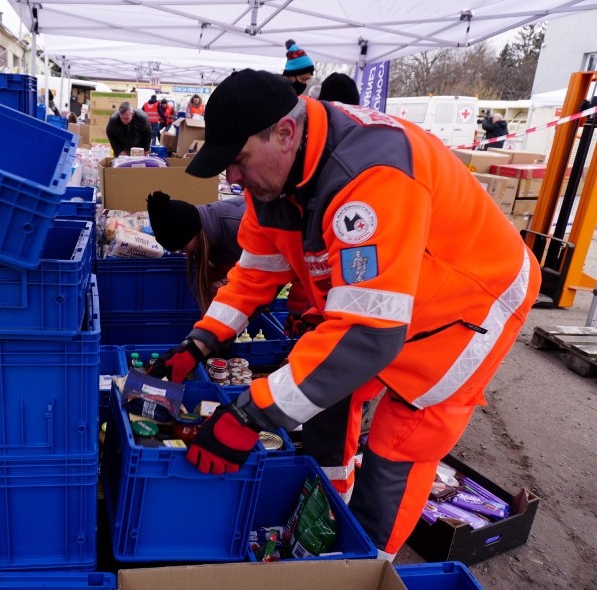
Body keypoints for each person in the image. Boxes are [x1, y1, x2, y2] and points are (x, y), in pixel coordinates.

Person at [149, 69, 540, 560]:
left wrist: (247, 414)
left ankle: (368, 564)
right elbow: (254, 272)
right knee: (325, 398)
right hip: (387, 300)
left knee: (398, 448)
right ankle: (330, 504)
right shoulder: (275, 181)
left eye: (239, 160)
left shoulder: (370, 178)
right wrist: (201, 341)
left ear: (285, 133)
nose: (231, 178)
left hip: (470, 303)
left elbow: (366, 335)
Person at [147, 191, 245, 311]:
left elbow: (262, 276)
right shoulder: (208, 235)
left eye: (182, 246)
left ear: (190, 231)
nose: (184, 252)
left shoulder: (239, 224)